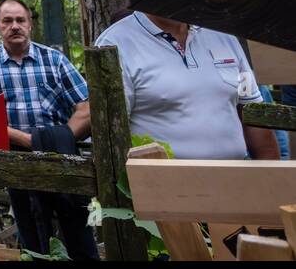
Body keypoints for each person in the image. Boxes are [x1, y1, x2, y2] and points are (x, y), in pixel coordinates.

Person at [0, 0, 97, 260]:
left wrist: (55, 139)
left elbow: (87, 107)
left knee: (77, 228)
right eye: (7, 21)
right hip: (15, 159)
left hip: (64, 157)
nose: (14, 26)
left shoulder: (54, 60)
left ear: (30, 25)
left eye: (20, 20)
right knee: (32, 232)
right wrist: (32, 140)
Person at [94, 10, 279, 160]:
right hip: (160, 187)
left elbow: (252, 109)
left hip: (235, 181)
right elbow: (111, 134)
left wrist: (272, 182)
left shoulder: (224, 36)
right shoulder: (115, 43)